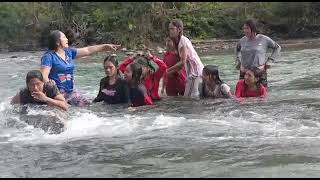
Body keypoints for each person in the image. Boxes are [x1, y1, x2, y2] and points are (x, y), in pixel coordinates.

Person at [40, 30, 120, 107]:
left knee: (89, 107)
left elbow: (87, 50)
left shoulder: (69, 52)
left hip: (71, 91)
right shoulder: (49, 57)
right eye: (64, 37)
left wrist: (104, 47)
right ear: (57, 42)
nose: (67, 39)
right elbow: (44, 76)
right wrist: (52, 92)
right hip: (58, 93)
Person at [235, 19, 281, 87]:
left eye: (247, 28)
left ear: (253, 28)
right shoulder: (242, 40)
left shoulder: (264, 39)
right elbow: (236, 49)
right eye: (244, 28)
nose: (244, 30)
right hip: (244, 73)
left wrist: (270, 60)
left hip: (259, 72)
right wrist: (238, 60)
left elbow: (277, 47)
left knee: (261, 96)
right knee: (241, 95)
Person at [167, 19, 204, 97]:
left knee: (190, 97)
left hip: (195, 73)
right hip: (193, 72)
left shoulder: (183, 42)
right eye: (169, 29)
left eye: (172, 29)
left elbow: (182, 62)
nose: (170, 31)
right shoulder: (180, 41)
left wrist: (167, 71)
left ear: (179, 29)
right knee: (190, 97)